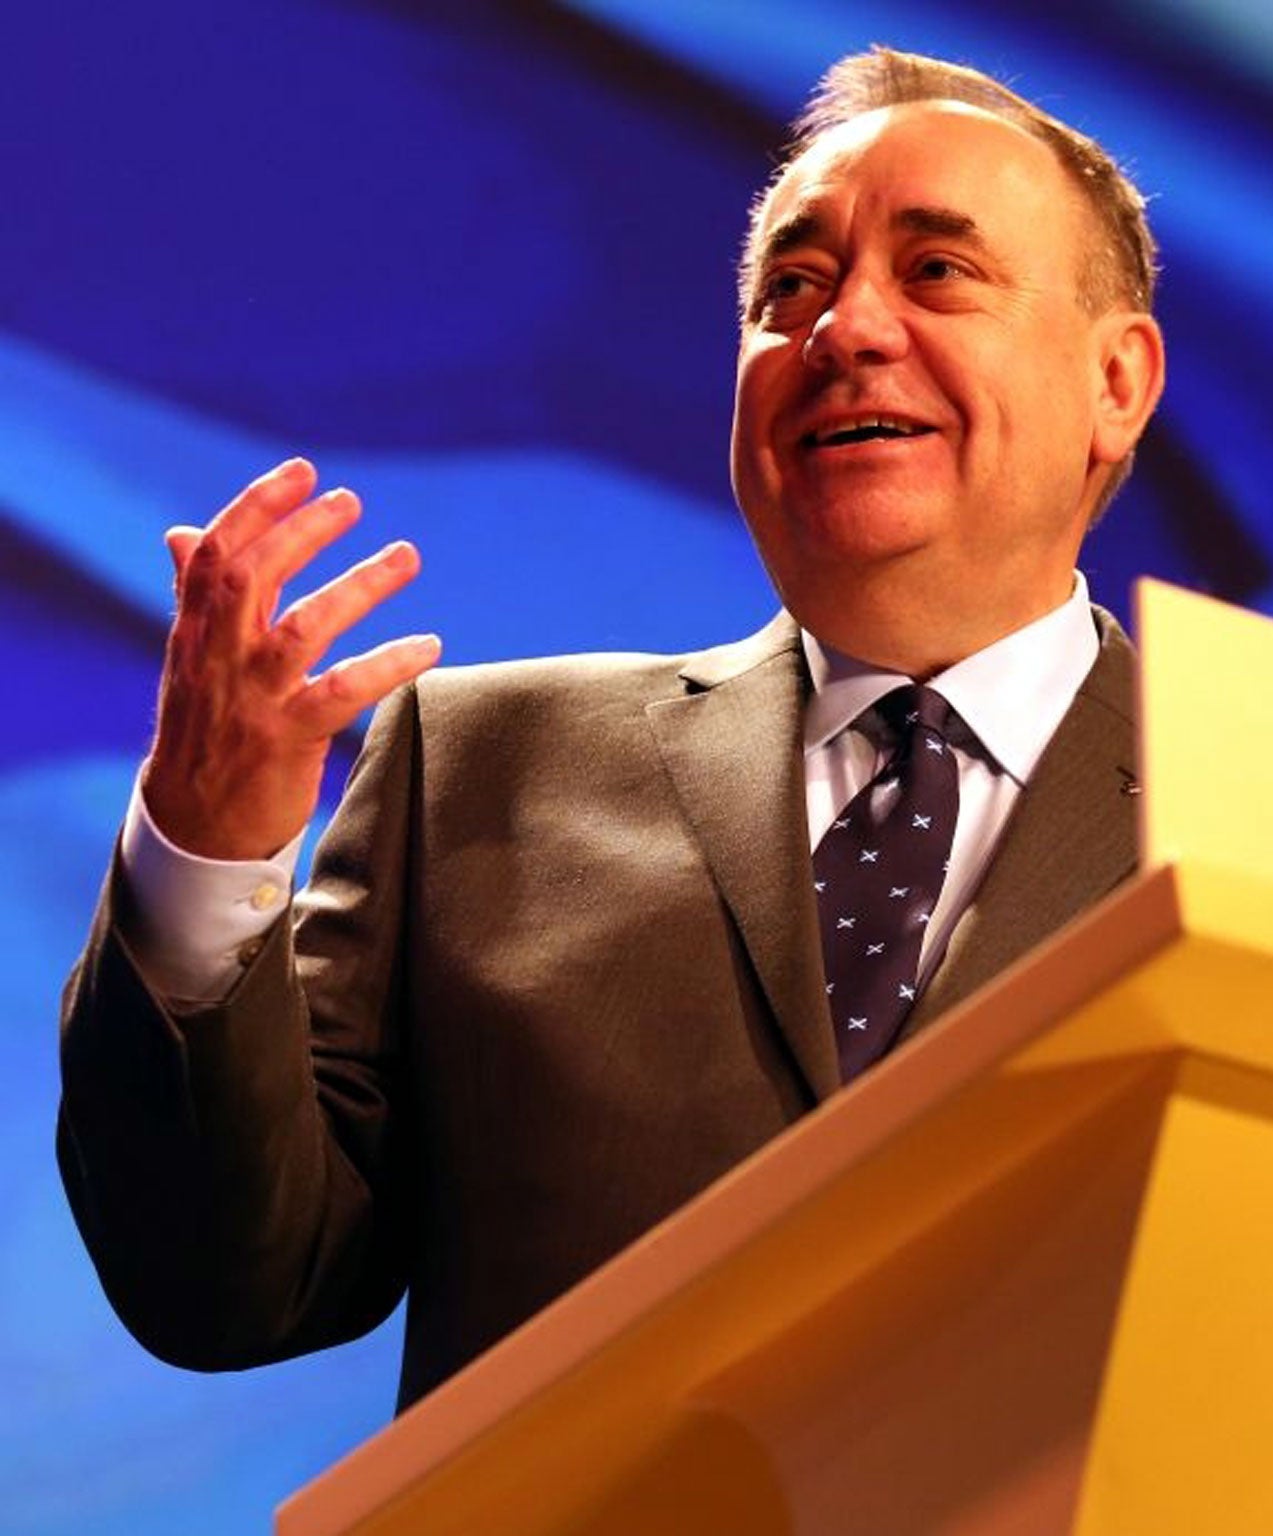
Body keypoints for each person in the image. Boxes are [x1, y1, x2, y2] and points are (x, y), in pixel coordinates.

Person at [57, 47, 1165, 1411]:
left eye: (937, 272)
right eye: (792, 290)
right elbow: (226, 1286)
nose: (846, 331)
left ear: (1118, 382)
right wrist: (199, 857)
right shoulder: (476, 773)